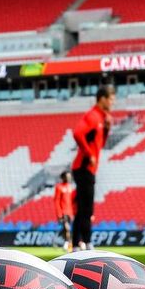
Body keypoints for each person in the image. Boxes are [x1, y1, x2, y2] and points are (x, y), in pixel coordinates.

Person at [71, 85, 115, 251]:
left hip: (88, 168)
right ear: (102, 98)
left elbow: (100, 144)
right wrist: (89, 154)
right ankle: (88, 244)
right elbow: (77, 133)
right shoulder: (93, 116)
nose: (112, 103)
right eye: (110, 99)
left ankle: (77, 244)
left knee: (83, 208)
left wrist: (106, 130)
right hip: (83, 167)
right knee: (86, 208)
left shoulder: (102, 119)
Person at [52, 171, 75, 252]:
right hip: (63, 212)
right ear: (63, 178)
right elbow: (56, 201)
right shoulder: (59, 187)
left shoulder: (70, 187)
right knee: (67, 228)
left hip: (70, 213)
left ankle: (67, 244)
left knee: (68, 230)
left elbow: (72, 201)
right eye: (67, 176)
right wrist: (59, 214)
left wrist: (73, 212)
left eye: (69, 176)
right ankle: (67, 244)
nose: (68, 178)